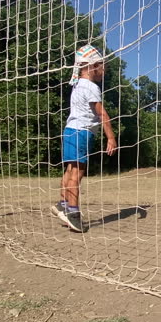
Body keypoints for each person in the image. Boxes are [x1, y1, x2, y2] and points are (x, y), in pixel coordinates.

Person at [51, 45, 117, 232]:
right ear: (92, 66)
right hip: (82, 132)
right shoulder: (91, 87)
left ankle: (62, 205)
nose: (104, 70)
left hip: (70, 130)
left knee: (69, 170)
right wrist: (111, 138)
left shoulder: (77, 85)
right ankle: (73, 214)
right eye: (102, 66)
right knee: (77, 174)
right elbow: (102, 114)